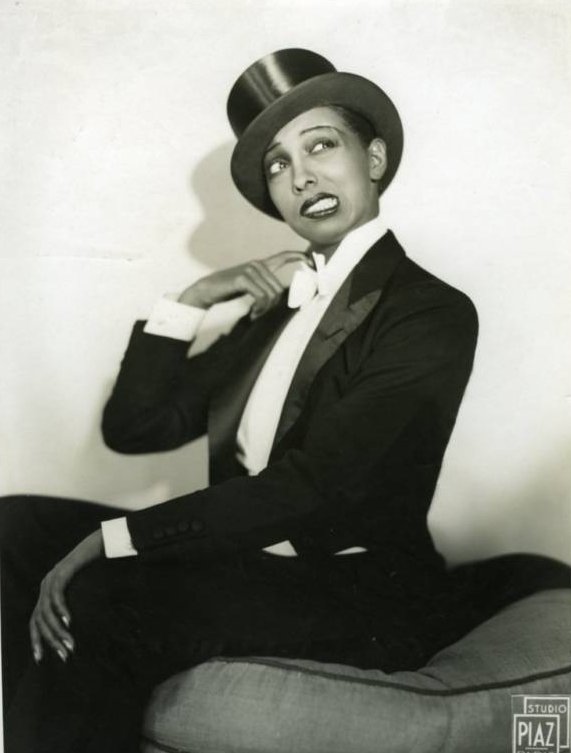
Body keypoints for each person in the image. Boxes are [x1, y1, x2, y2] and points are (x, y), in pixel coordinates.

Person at [1, 48, 569, 753]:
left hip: (349, 583)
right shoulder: (272, 310)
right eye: (277, 164)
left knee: (98, 598)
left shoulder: (429, 311)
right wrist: (194, 299)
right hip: (241, 556)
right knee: (14, 528)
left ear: (374, 158)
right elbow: (136, 427)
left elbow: (318, 484)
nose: (300, 177)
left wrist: (115, 539)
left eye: (321, 145)